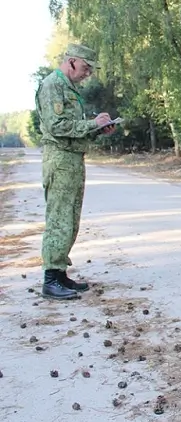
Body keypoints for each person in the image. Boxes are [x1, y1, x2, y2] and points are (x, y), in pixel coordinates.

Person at [35, 43, 116, 300]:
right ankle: (50, 279)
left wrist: (97, 129)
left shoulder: (70, 89)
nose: (88, 73)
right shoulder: (52, 85)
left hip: (72, 159)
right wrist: (91, 123)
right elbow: (57, 126)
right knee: (59, 218)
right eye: (85, 67)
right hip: (59, 160)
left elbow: (73, 130)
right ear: (71, 62)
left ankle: (60, 276)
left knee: (70, 220)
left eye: (90, 70)